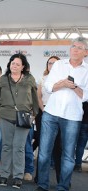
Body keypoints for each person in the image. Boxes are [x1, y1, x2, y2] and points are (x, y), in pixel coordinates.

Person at [35, 37, 88, 191]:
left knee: (68, 155)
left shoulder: (87, 70)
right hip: (51, 113)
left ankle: (63, 186)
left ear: (85, 52)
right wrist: (62, 84)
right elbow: (49, 86)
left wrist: (74, 87)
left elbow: (85, 95)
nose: (75, 49)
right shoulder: (59, 64)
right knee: (44, 152)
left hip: (73, 116)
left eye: (79, 47)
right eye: (73, 46)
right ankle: (42, 185)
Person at [0, 53, 39, 189]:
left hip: (24, 117)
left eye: (17, 64)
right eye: (12, 63)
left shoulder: (29, 79)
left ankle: (17, 176)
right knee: (6, 146)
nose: (14, 66)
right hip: (5, 116)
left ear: (23, 67)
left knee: (19, 147)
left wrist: (34, 114)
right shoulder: (3, 79)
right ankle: (4, 175)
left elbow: (35, 97)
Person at [33, 56, 62, 184]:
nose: (52, 65)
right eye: (50, 63)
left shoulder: (64, 80)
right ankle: (40, 178)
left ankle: (61, 180)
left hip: (60, 115)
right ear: (47, 65)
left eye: (54, 63)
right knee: (43, 148)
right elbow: (38, 97)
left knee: (58, 149)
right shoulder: (42, 79)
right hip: (44, 113)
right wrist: (44, 111)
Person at [74, 102, 88, 172]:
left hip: (81, 122)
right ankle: (78, 164)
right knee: (81, 145)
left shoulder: (83, 96)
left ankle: (76, 164)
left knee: (75, 144)